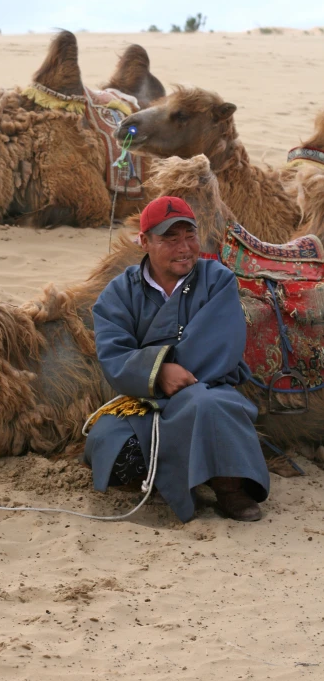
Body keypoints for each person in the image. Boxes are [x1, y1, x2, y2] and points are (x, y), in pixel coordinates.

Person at [84, 196, 270, 522]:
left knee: (206, 406)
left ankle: (227, 488)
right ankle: (188, 472)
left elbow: (220, 343)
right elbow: (113, 353)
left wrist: (175, 374)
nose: (184, 247)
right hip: (143, 400)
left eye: (190, 235)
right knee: (108, 447)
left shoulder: (217, 279)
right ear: (144, 242)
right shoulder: (119, 292)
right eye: (170, 238)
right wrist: (157, 373)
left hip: (208, 387)